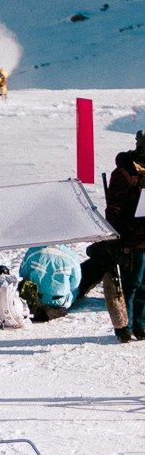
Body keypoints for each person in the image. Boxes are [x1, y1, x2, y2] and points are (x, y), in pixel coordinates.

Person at [105, 131, 145, 341]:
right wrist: (115, 237)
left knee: (144, 286)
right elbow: (114, 209)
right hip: (131, 240)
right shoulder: (123, 173)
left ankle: (141, 325)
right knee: (131, 285)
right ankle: (125, 327)